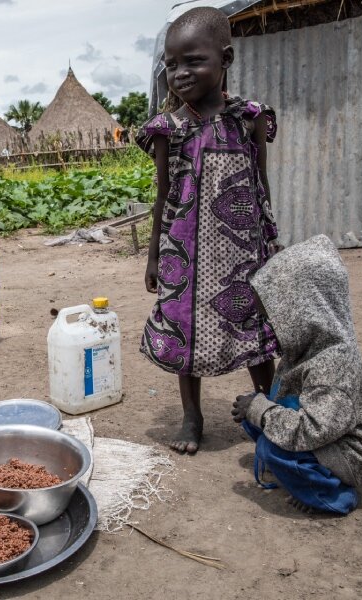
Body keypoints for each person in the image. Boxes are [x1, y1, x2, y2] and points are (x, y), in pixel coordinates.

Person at [136, 7, 281, 455]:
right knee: (185, 330)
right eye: (171, 64)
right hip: (186, 249)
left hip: (245, 249)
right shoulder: (169, 129)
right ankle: (192, 417)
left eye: (193, 61)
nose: (179, 74)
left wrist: (272, 241)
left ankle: (271, 409)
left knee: (255, 330)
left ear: (226, 59)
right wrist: (155, 256)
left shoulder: (250, 117)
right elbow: (162, 196)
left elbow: (261, 181)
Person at [232, 235, 362, 514]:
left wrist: (262, 410)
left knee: (272, 448)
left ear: (303, 312)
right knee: (255, 417)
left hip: (350, 454)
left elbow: (313, 429)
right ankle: (309, 474)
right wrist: (257, 409)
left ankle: (333, 493)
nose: (269, 325)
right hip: (328, 432)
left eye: (274, 317)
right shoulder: (308, 348)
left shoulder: (334, 363)